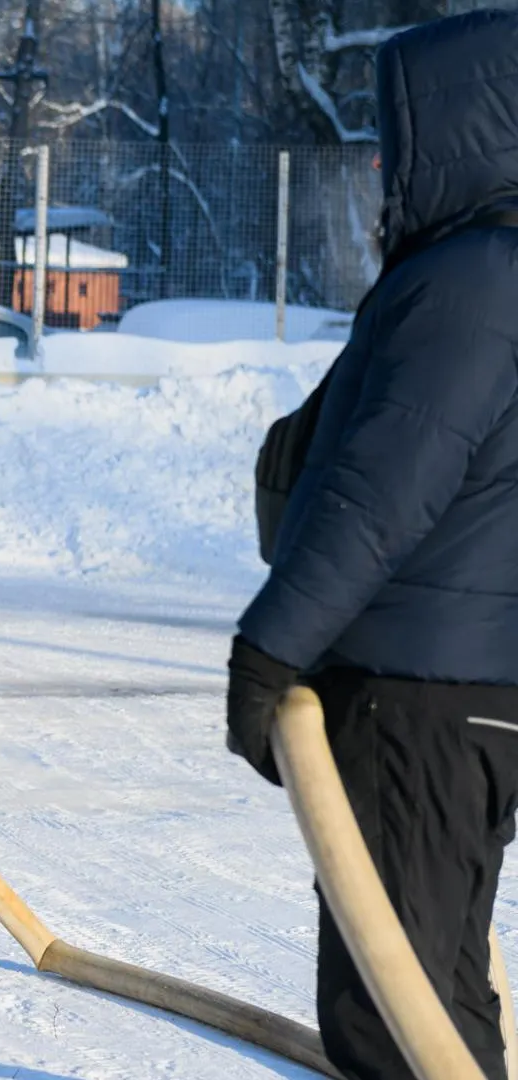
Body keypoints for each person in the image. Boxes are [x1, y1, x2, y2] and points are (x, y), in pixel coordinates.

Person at [226, 11, 518, 1078]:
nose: (387, 165)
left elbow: (379, 492)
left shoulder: (475, 280)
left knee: (388, 1016)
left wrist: (267, 650)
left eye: (398, 136)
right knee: (435, 993)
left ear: (461, 130)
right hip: (465, 700)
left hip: (409, 698)